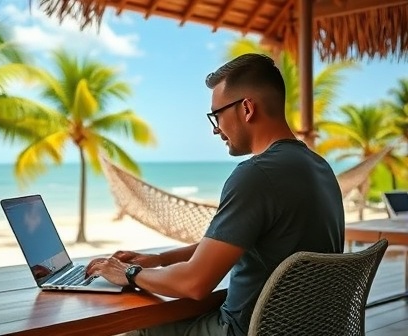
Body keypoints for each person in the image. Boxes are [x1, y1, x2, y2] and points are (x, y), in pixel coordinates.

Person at [85, 53, 345, 336]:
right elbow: (226, 243)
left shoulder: (256, 175)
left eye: (217, 115)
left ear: (246, 108)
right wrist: (159, 259)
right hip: (312, 328)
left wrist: (129, 273)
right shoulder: (319, 168)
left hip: (245, 331)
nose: (215, 129)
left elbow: (194, 284)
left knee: (136, 328)